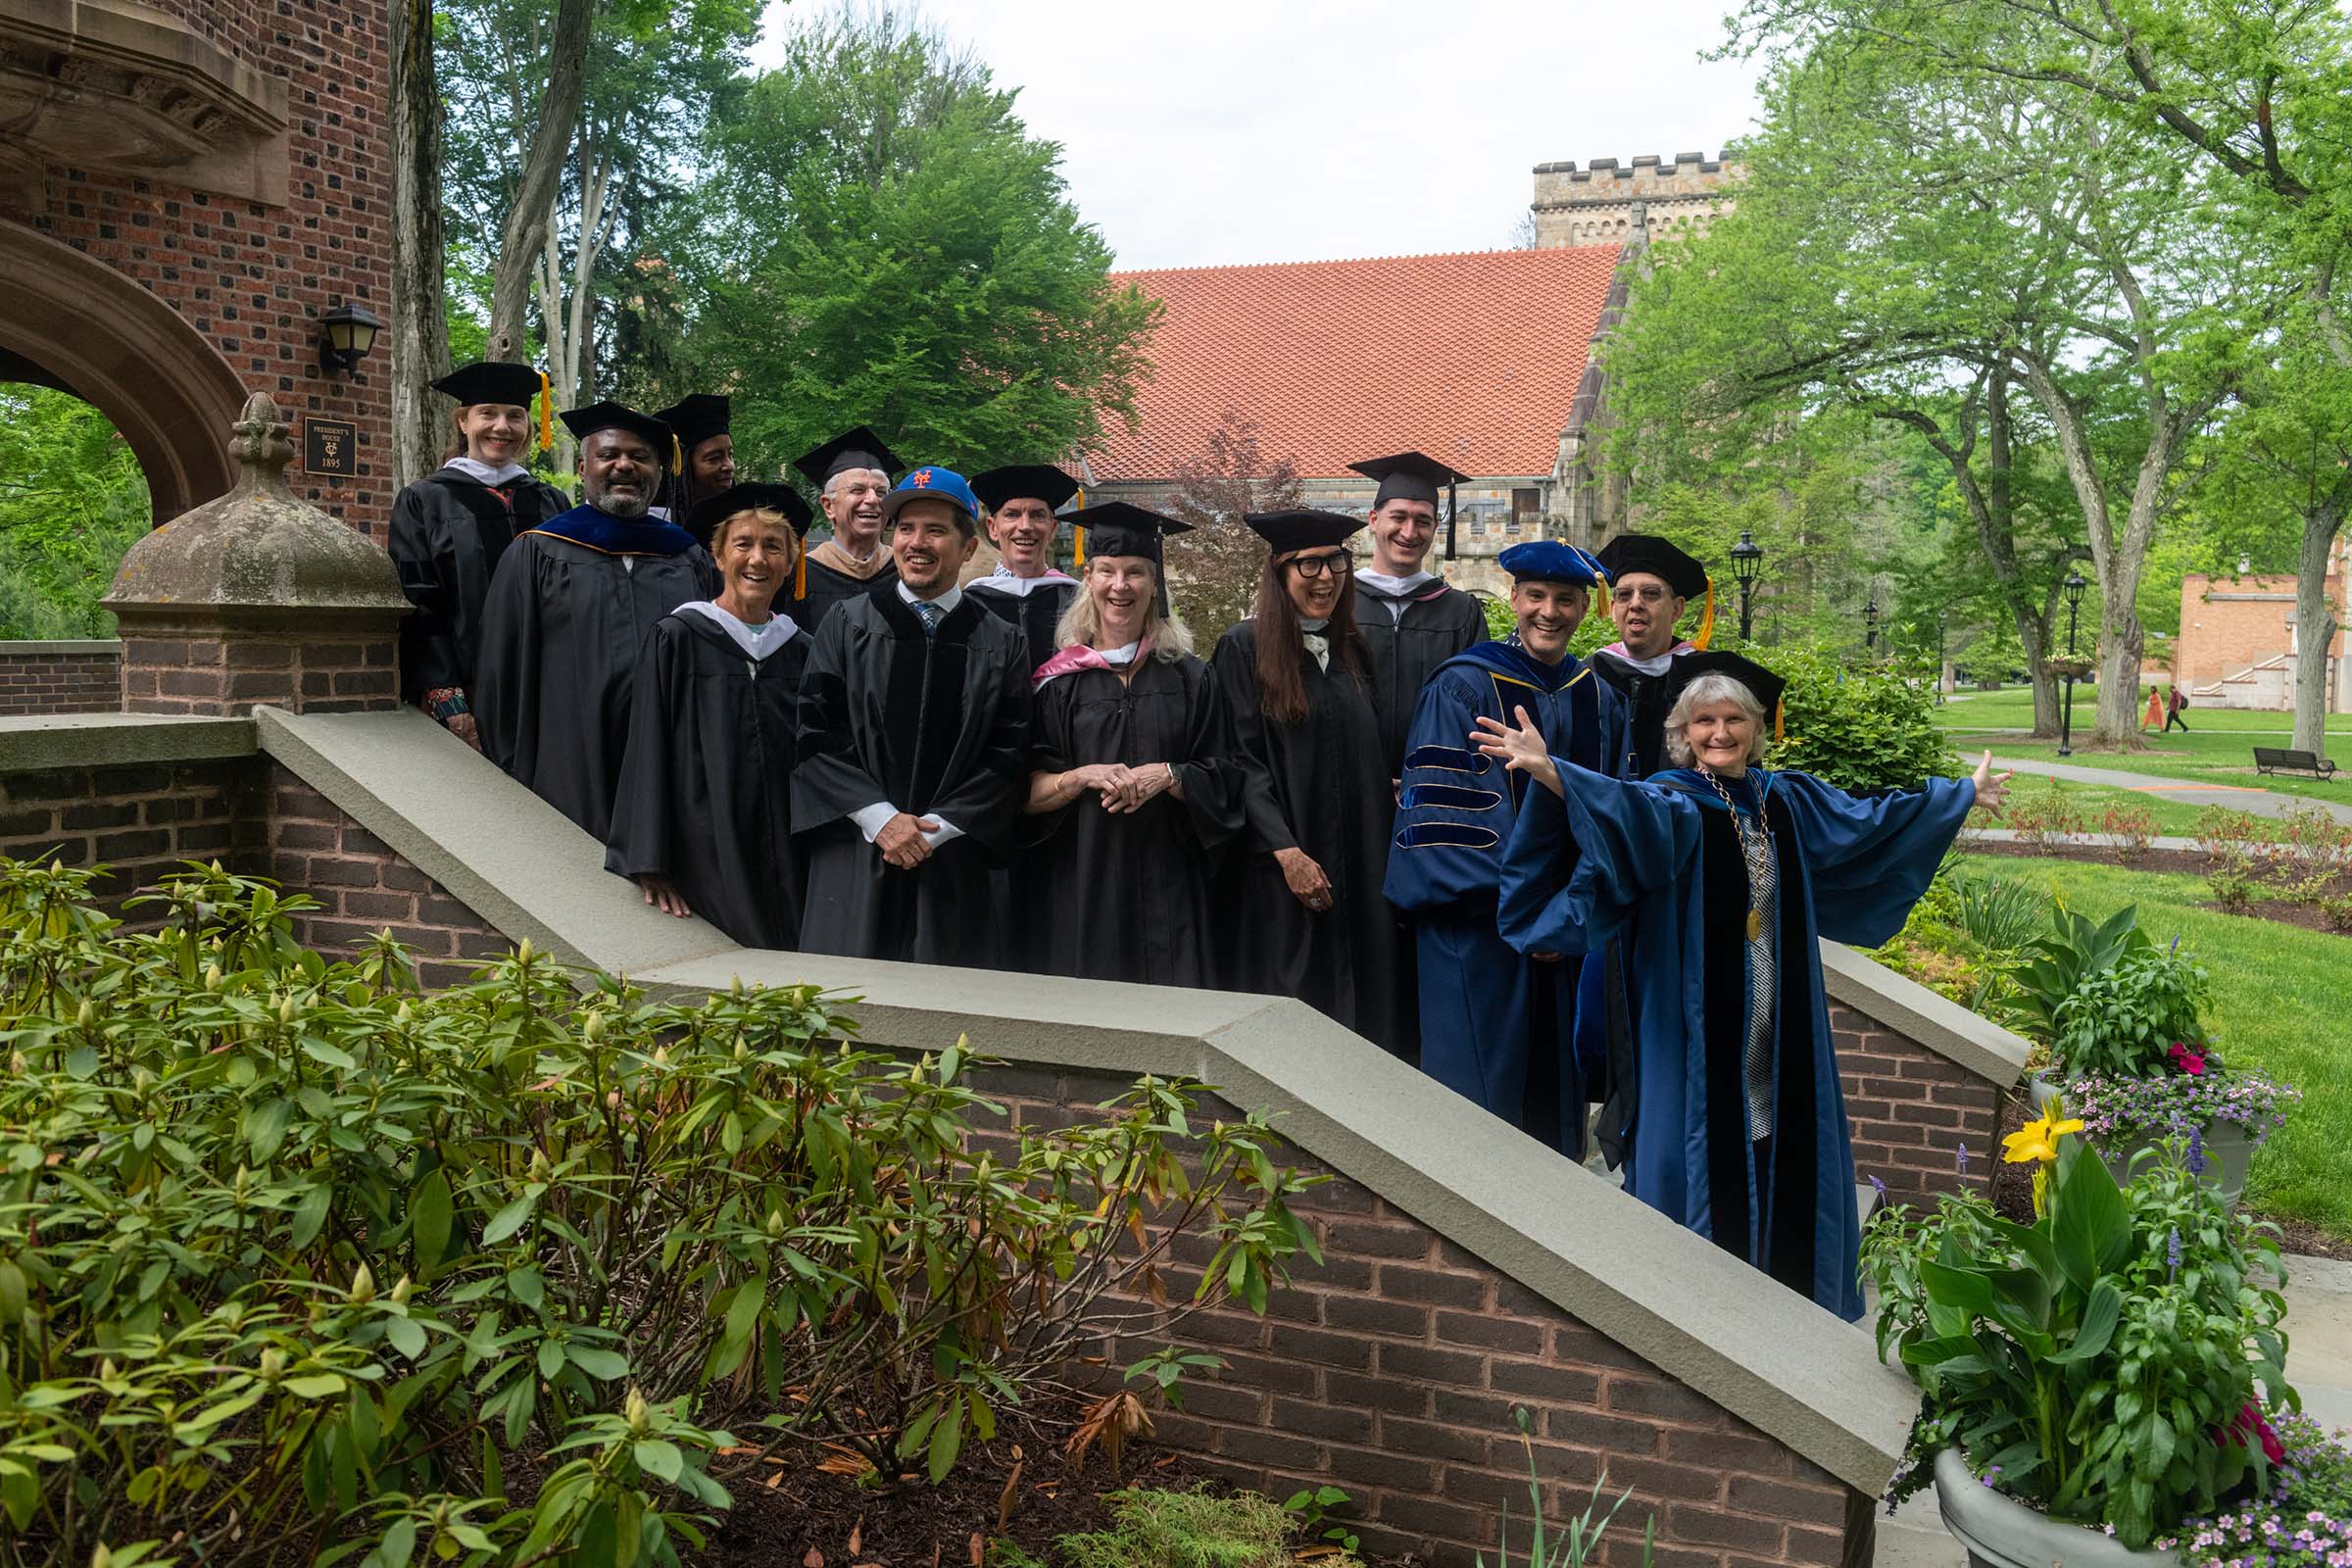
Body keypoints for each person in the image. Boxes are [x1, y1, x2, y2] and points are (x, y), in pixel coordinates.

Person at [1483, 652, 2011, 1319]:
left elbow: (1868, 822)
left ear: (1757, 728)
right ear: (1683, 730)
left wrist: (1960, 795)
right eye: (1704, 720)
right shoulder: (1674, 801)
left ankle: (1778, 1284)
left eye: (1734, 719)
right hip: (1697, 1017)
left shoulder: (1784, 798)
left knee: (1772, 1123)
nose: (1720, 733)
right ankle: (1696, 1297)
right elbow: (1624, 813)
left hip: (1775, 1005)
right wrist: (1552, 771)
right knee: (1701, 1136)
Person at [1384, 540, 1624, 1155]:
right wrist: (1532, 917)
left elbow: (1617, 814)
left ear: (1583, 609)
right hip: (1477, 932)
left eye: (1565, 600)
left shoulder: (1599, 698)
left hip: (1564, 936)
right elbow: (1444, 823)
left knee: (1555, 1110)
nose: (1549, 612)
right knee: (1473, 1108)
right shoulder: (1462, 688)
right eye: (1537, 597)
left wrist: (1571, 914)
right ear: (1513, 599)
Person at [792, 466, 1032, 965]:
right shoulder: (848, 622)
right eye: (905, 528)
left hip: (953, 862)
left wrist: (936, 829)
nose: (916, 543)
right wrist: (881, 821)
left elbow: (1009, 754)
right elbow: (816, 736)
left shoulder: (1001, 640)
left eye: (936, 530)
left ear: (968, 548)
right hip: (859, 854)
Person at [1211, 509, 1410, 1054]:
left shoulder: (1354, 650)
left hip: (1362, 867)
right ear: (1279, 574)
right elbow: (1239, 760)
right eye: (1309, 565)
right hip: (1285, 866)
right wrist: (1284, 850)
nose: (1326, 577)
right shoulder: (1243, 648)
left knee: (1369, 1014)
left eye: (1337, 562)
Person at [1023, 503, 1244, 987]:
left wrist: (1169, 776)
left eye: (1136, 573)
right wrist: (1080, 776)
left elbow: (1228, 775)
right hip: (1082, 887)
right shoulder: (1057, 685)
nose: (1120, 586)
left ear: (1155, 583)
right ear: (1089, 578)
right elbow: (1024, 793)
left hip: (1176, 890)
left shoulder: (1193, 679)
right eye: (1108, 571)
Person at [474, 401, 716, 840]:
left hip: (672, 757)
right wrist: (512, 765)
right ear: (584, 467)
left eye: (639, 457)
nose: (624, 466)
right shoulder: (537, 552)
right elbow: (500, 671)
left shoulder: (688, 557)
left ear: (660, 471)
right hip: (567, 757)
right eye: (609, 456)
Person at [606, 483, 813, 949]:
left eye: (773, 547)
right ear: (718, 557)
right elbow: (648, 744)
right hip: (704, 844)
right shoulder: (679, 636)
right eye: (743, 544)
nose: (757, 559)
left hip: (790, 844)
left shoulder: (802, 650)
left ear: (790, 563)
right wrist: (650, 857)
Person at [389, 361, 571, 750]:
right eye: (487, 414)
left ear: (528, 426)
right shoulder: (425, 500)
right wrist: (447, 695)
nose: (502, 427)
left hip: (549, 691)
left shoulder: (551, 502)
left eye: (515, 416)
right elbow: (419, 603)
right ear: (463, 423)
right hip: (468, 694)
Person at [1347, 452, 1489, 775]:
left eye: (1422, 521)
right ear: (1373, 520)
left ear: (1436, 527)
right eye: (1398, 517)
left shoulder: (1460, 612)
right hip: (1350, 786)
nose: (1409, 532)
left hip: (1433, 786)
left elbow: (1475, 708)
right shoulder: (1341, 605)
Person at [1589, 534, 1715, 778]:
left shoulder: (1707, 680)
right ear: (1613, 610)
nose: (1636, 604)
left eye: (1651, 594)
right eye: (1624, 595)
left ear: (1677, 609)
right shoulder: (1590, 675)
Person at [966, 464, 1082, 674]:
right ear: (992, 527)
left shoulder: (1077, 602)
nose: (1025, 526)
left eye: (1037, 515)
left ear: (1053, 529)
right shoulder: (970, 603)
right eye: (1012, 514)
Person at [791, 425, 903, 630]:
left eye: (881, 491)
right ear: (828, 506)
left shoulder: (905, 570)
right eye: (857, 490)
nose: (871, 499)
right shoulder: (799, 576)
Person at [652, 394, 735, 537]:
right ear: (683, 467)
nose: (729, 466)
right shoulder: (655, 526)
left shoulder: (740, 519)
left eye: (730, 455)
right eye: (714, 458)